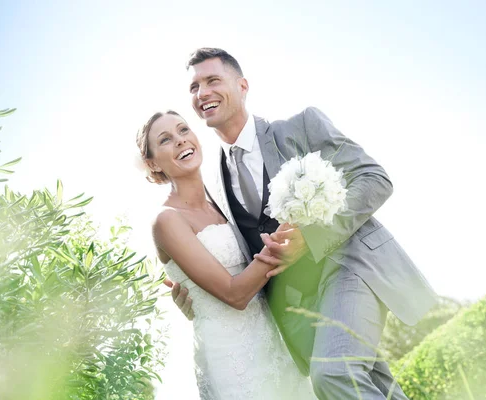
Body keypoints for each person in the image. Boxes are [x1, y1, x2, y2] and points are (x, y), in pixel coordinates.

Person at [170, 47, 438, 399]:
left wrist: (311, 237)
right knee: (371, 386)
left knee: (335, 373)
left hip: (351, 268)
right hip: (300, 307)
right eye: (193, 87)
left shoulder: (300, 128)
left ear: (242, 85)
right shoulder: (215, 186)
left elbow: (375, 179)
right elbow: (230, 253)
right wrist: (195, 295)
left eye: (212, 80)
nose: (202, 93)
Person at [136, 110, 316, 399]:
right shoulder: (167, 220)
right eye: (166, 139)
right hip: (232, 358)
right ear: (152, 163)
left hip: (272, 341)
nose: (181, 141)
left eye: (184, 130)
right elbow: (234, 294)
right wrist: (288, 240)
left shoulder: (221, 202)